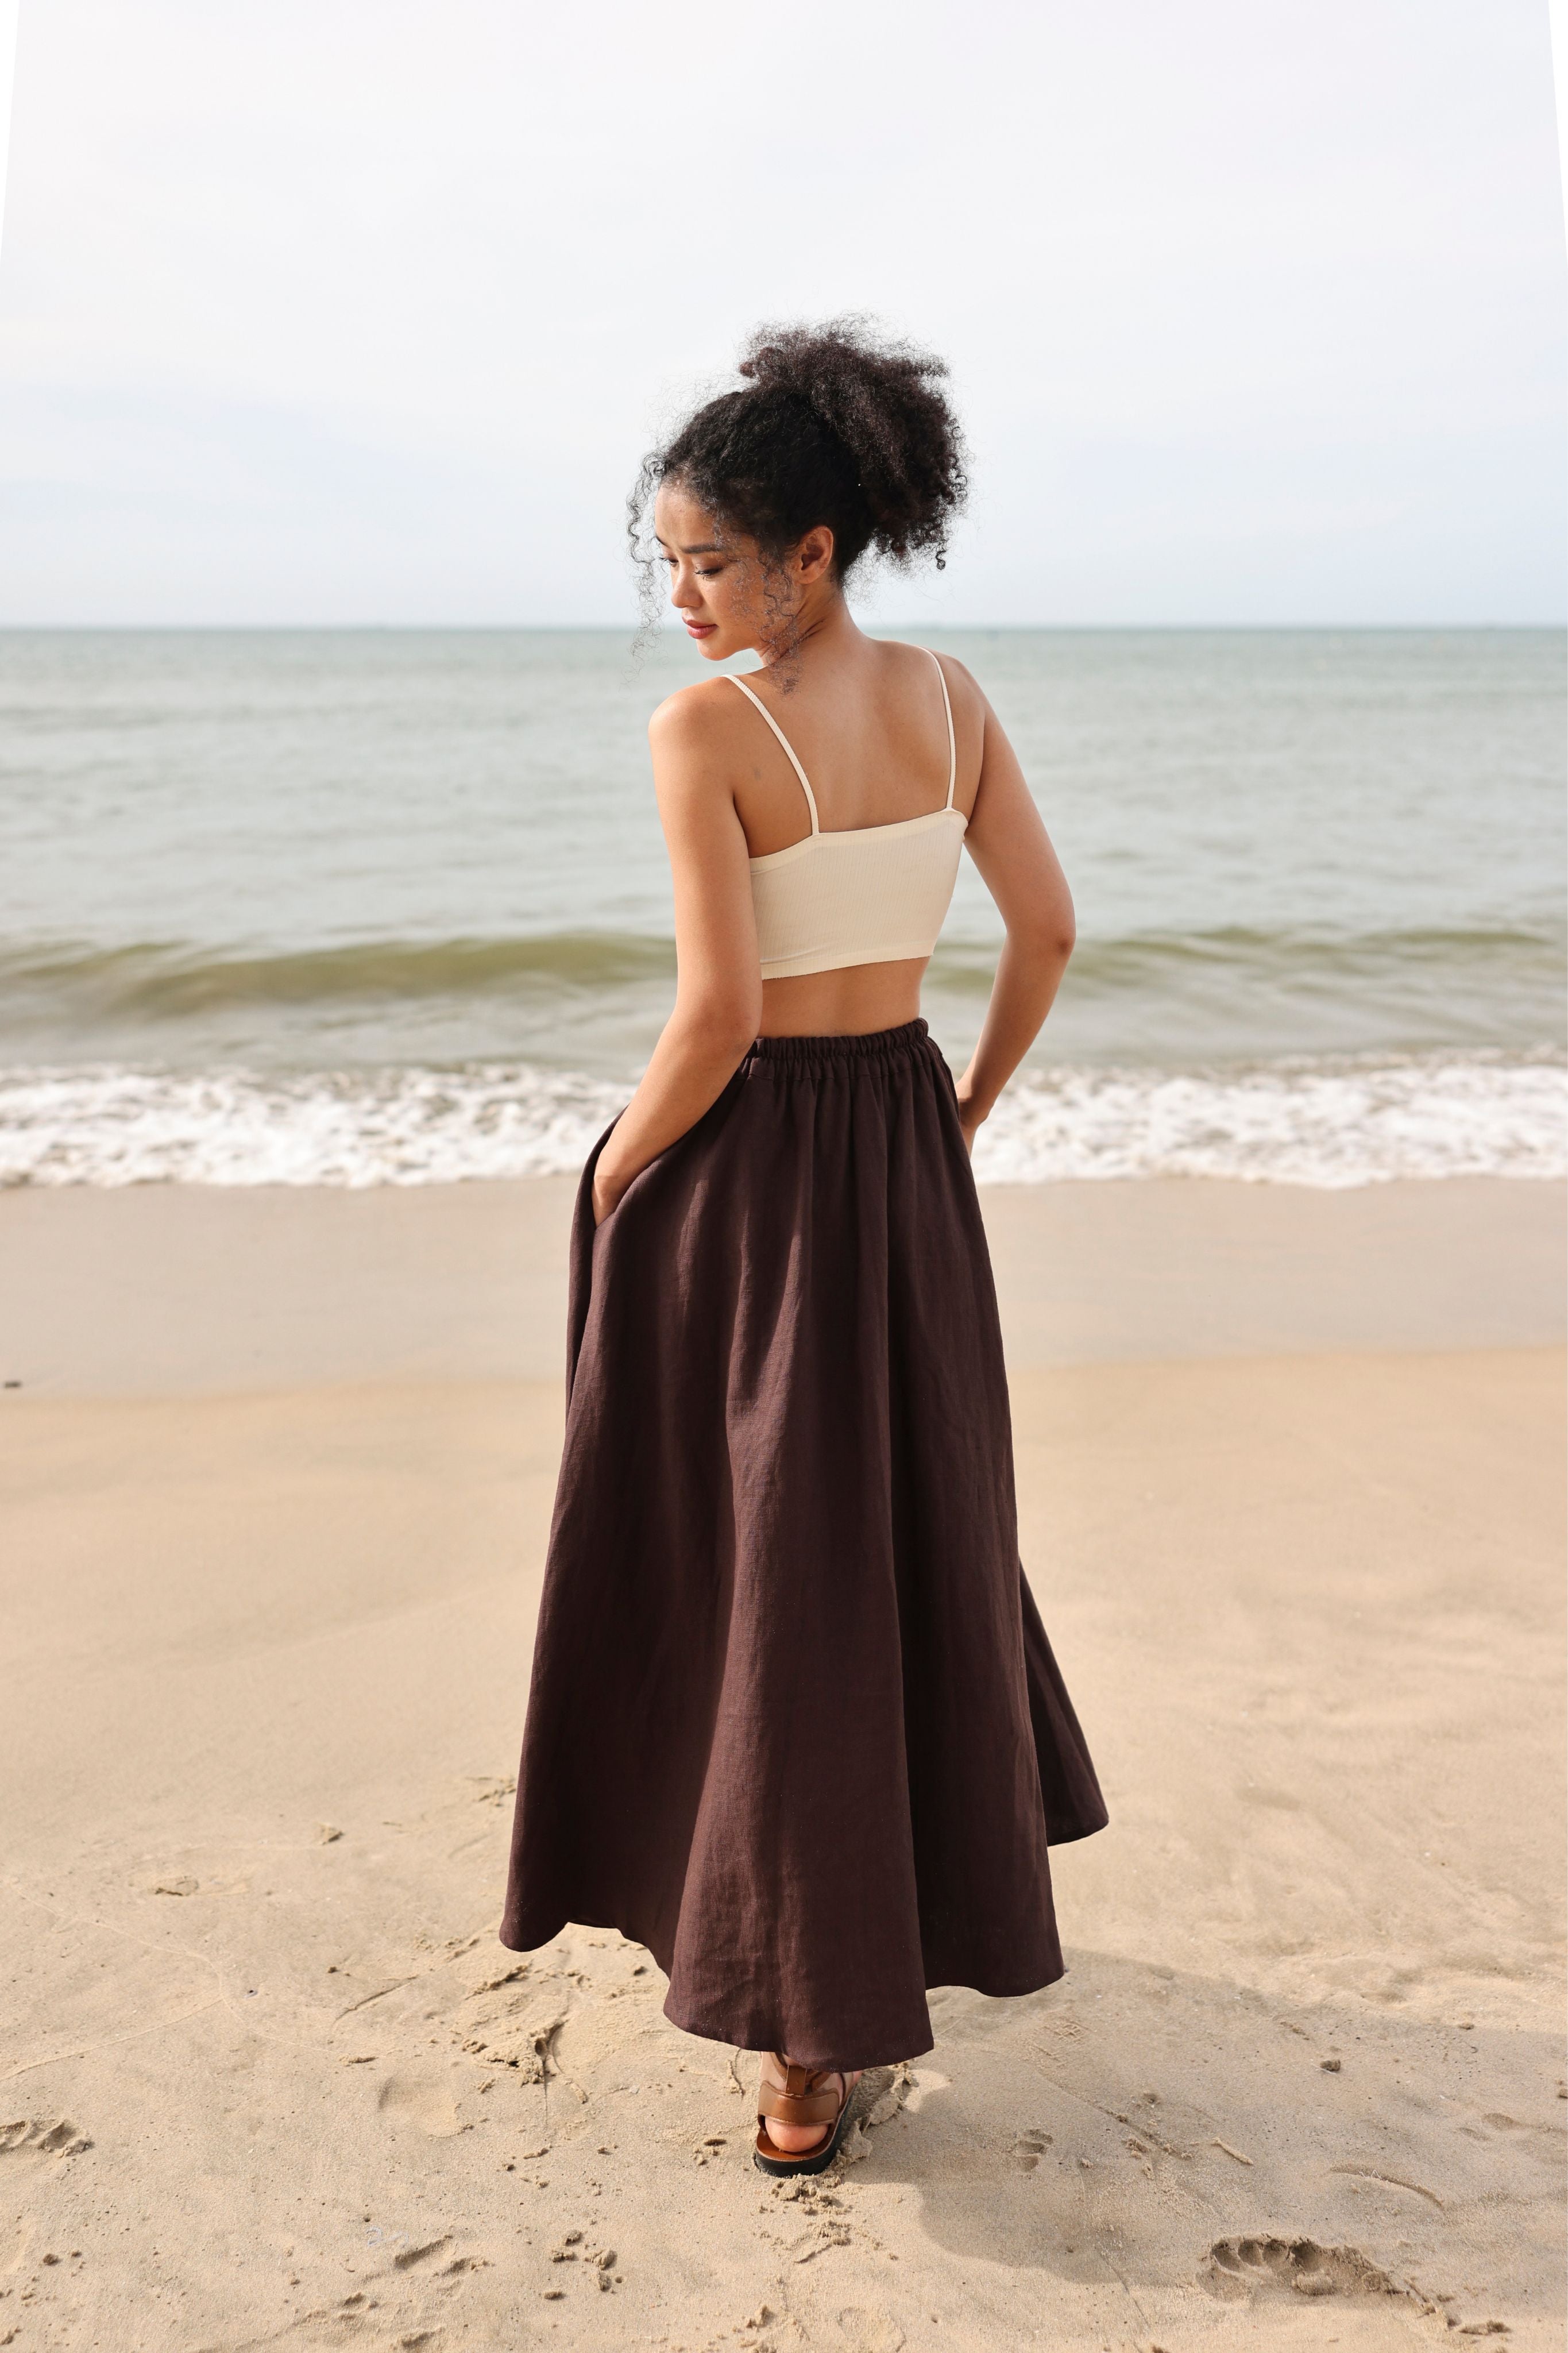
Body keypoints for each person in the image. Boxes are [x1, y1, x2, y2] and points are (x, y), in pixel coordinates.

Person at [500, 319, 1107, 2178]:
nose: (680, 601)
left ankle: (794, 2059)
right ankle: (884, 1943)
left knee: (754, 1564)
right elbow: (1048, 937)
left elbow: (709, 1019)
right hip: (899, 1148)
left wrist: (613, 1173)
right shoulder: (948, 699)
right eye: (662, 565)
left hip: (750, 1168)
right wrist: (961, 1109)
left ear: (814, 548)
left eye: (708, 561)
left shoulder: (707, 728)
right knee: (900, 1534)